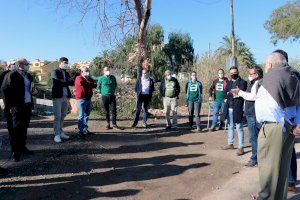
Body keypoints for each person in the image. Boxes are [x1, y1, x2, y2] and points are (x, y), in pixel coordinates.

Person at [253, 52, 300, 200]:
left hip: (273, 128)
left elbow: (273, 107)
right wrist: (296, 124)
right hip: (289, 129)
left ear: (270, 64)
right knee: (282, 171)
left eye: (266, 63)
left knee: (268, 172)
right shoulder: (294, 77)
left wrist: (287, 124)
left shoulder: (271, 78)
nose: (265, 66)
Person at [273, 49, 298, 193]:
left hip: (289, 119)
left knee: (288, 151)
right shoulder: (278, 75)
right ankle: (287, 181)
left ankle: (290, 181)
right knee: (285, 151)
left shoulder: (293, 75)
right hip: (281, 119)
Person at [1, 58, 35, 161]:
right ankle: (15, 152)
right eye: (26, 64)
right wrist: (11, 106)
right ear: (20, 65)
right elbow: (5, 91)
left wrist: (35, 91)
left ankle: (22, 148)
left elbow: (30, 89)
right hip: (15, 107)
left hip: (27, 105)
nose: (28, 65)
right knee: (15, 130)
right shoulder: (11, 75)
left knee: (24, 128)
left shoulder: (28, 75)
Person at [231, 65, 263, 167]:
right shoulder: (254, 82)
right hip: (251, 113)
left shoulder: (258, 83)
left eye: (251, 74)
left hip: (253, 114)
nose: (249, 75)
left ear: (257, 74)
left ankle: (254, 159)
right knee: (256, 138)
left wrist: (239, 92)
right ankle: (258, 158)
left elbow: (253, 97)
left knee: (254, 138)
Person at [222, 66, 247, 156]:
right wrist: (233, 92)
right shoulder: (228, 83)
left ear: (238, 72)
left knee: (239, 127)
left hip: (238, 108)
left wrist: (232, 93)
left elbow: (241, 94)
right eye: (231, 73)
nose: (233, 74)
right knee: (230, 126)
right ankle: (230, 143)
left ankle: (241, 147)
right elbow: (224, 94)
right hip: (229, 108)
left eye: (234, 72)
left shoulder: (243, 82)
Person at [51, 57, 74, 143]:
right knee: (57, 116)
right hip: (57, 97)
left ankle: (60, 132)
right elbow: (56, 82)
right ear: (60, 63)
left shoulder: (66, 73)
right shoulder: (55, 71)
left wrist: (64, 82)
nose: (66, 64)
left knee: (63, 114)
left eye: (67, 62)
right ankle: (56, 134)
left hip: (65, 96)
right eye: (65, 62)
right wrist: (66, 82)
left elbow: (72, 82)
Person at [74, 66, 97, 136]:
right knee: (81, 115)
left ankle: (84, 129)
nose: (87, 72)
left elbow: (95, 85)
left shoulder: (89, 79)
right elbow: (82, 83)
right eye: (85, 71)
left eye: (88, 71)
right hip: (81, 99)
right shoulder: (78, 78)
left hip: (88, 99)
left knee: (86, 115)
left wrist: (89, 83)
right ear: (82, 72)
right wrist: (90, 83)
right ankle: (81, 130)